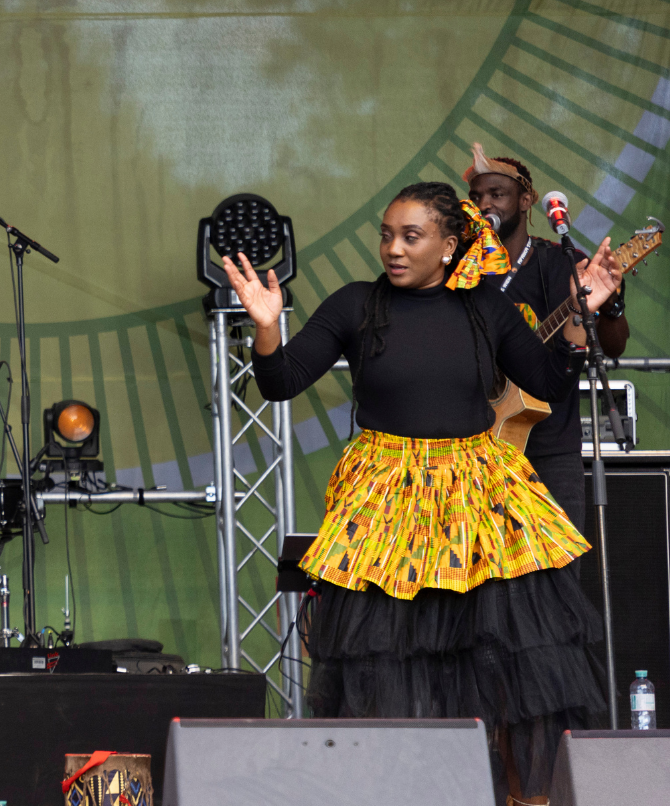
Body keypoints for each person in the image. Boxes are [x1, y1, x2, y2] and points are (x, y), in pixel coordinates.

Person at [226, 181, 619, 805]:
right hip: (387, 495)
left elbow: (547, 381)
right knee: (385, 664)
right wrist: (268, 330)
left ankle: (524, 799)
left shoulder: (486, 308)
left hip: (479, 494)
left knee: (514, 660)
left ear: (448, 245)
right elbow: (281, 382)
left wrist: (580, 315)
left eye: (412, 237)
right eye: (387, 235)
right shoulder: (356, 305)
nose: (394, 249)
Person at [464, 143, 630, 533]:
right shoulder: (462, 269)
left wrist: (612, 306)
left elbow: (615, 345)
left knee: (559, 580)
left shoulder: (564, 263)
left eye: (496, 194)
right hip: (473, 450)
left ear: (527, 200)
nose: (485, 203)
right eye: (476, 197)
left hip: (551, 453)